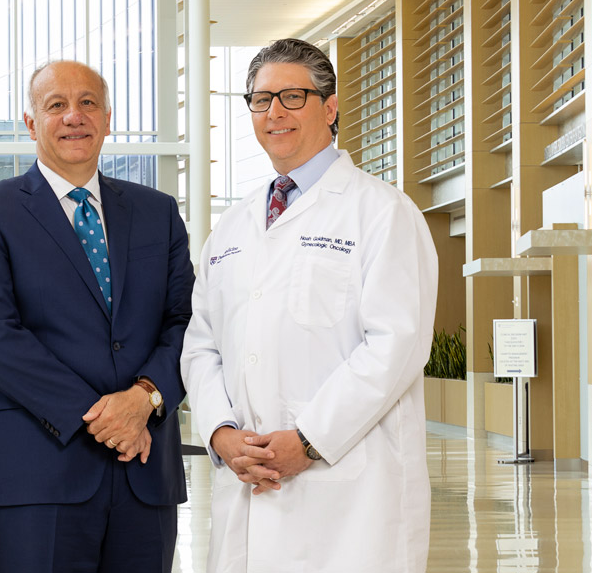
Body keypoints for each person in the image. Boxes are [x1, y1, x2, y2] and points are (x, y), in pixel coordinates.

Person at [181, 38, 439, 572]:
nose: (274, 111)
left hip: (349, 497)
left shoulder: (382, 212)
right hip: (246, 482)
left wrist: (309, 440)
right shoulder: (234, 225)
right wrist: (221, 434)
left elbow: (396, 346)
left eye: (293, 96)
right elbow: (200, 343)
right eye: (260, 99)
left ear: (331, 105)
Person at [0, 60, 193, 573]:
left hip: (146, 473)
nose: (73, 117)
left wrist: (144, 397)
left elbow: (186, 322)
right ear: (30, 122)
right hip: (40, 475)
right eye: (55, 105)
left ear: (108, 117)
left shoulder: (158, 212)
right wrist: (106, 418)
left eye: (87, 103)